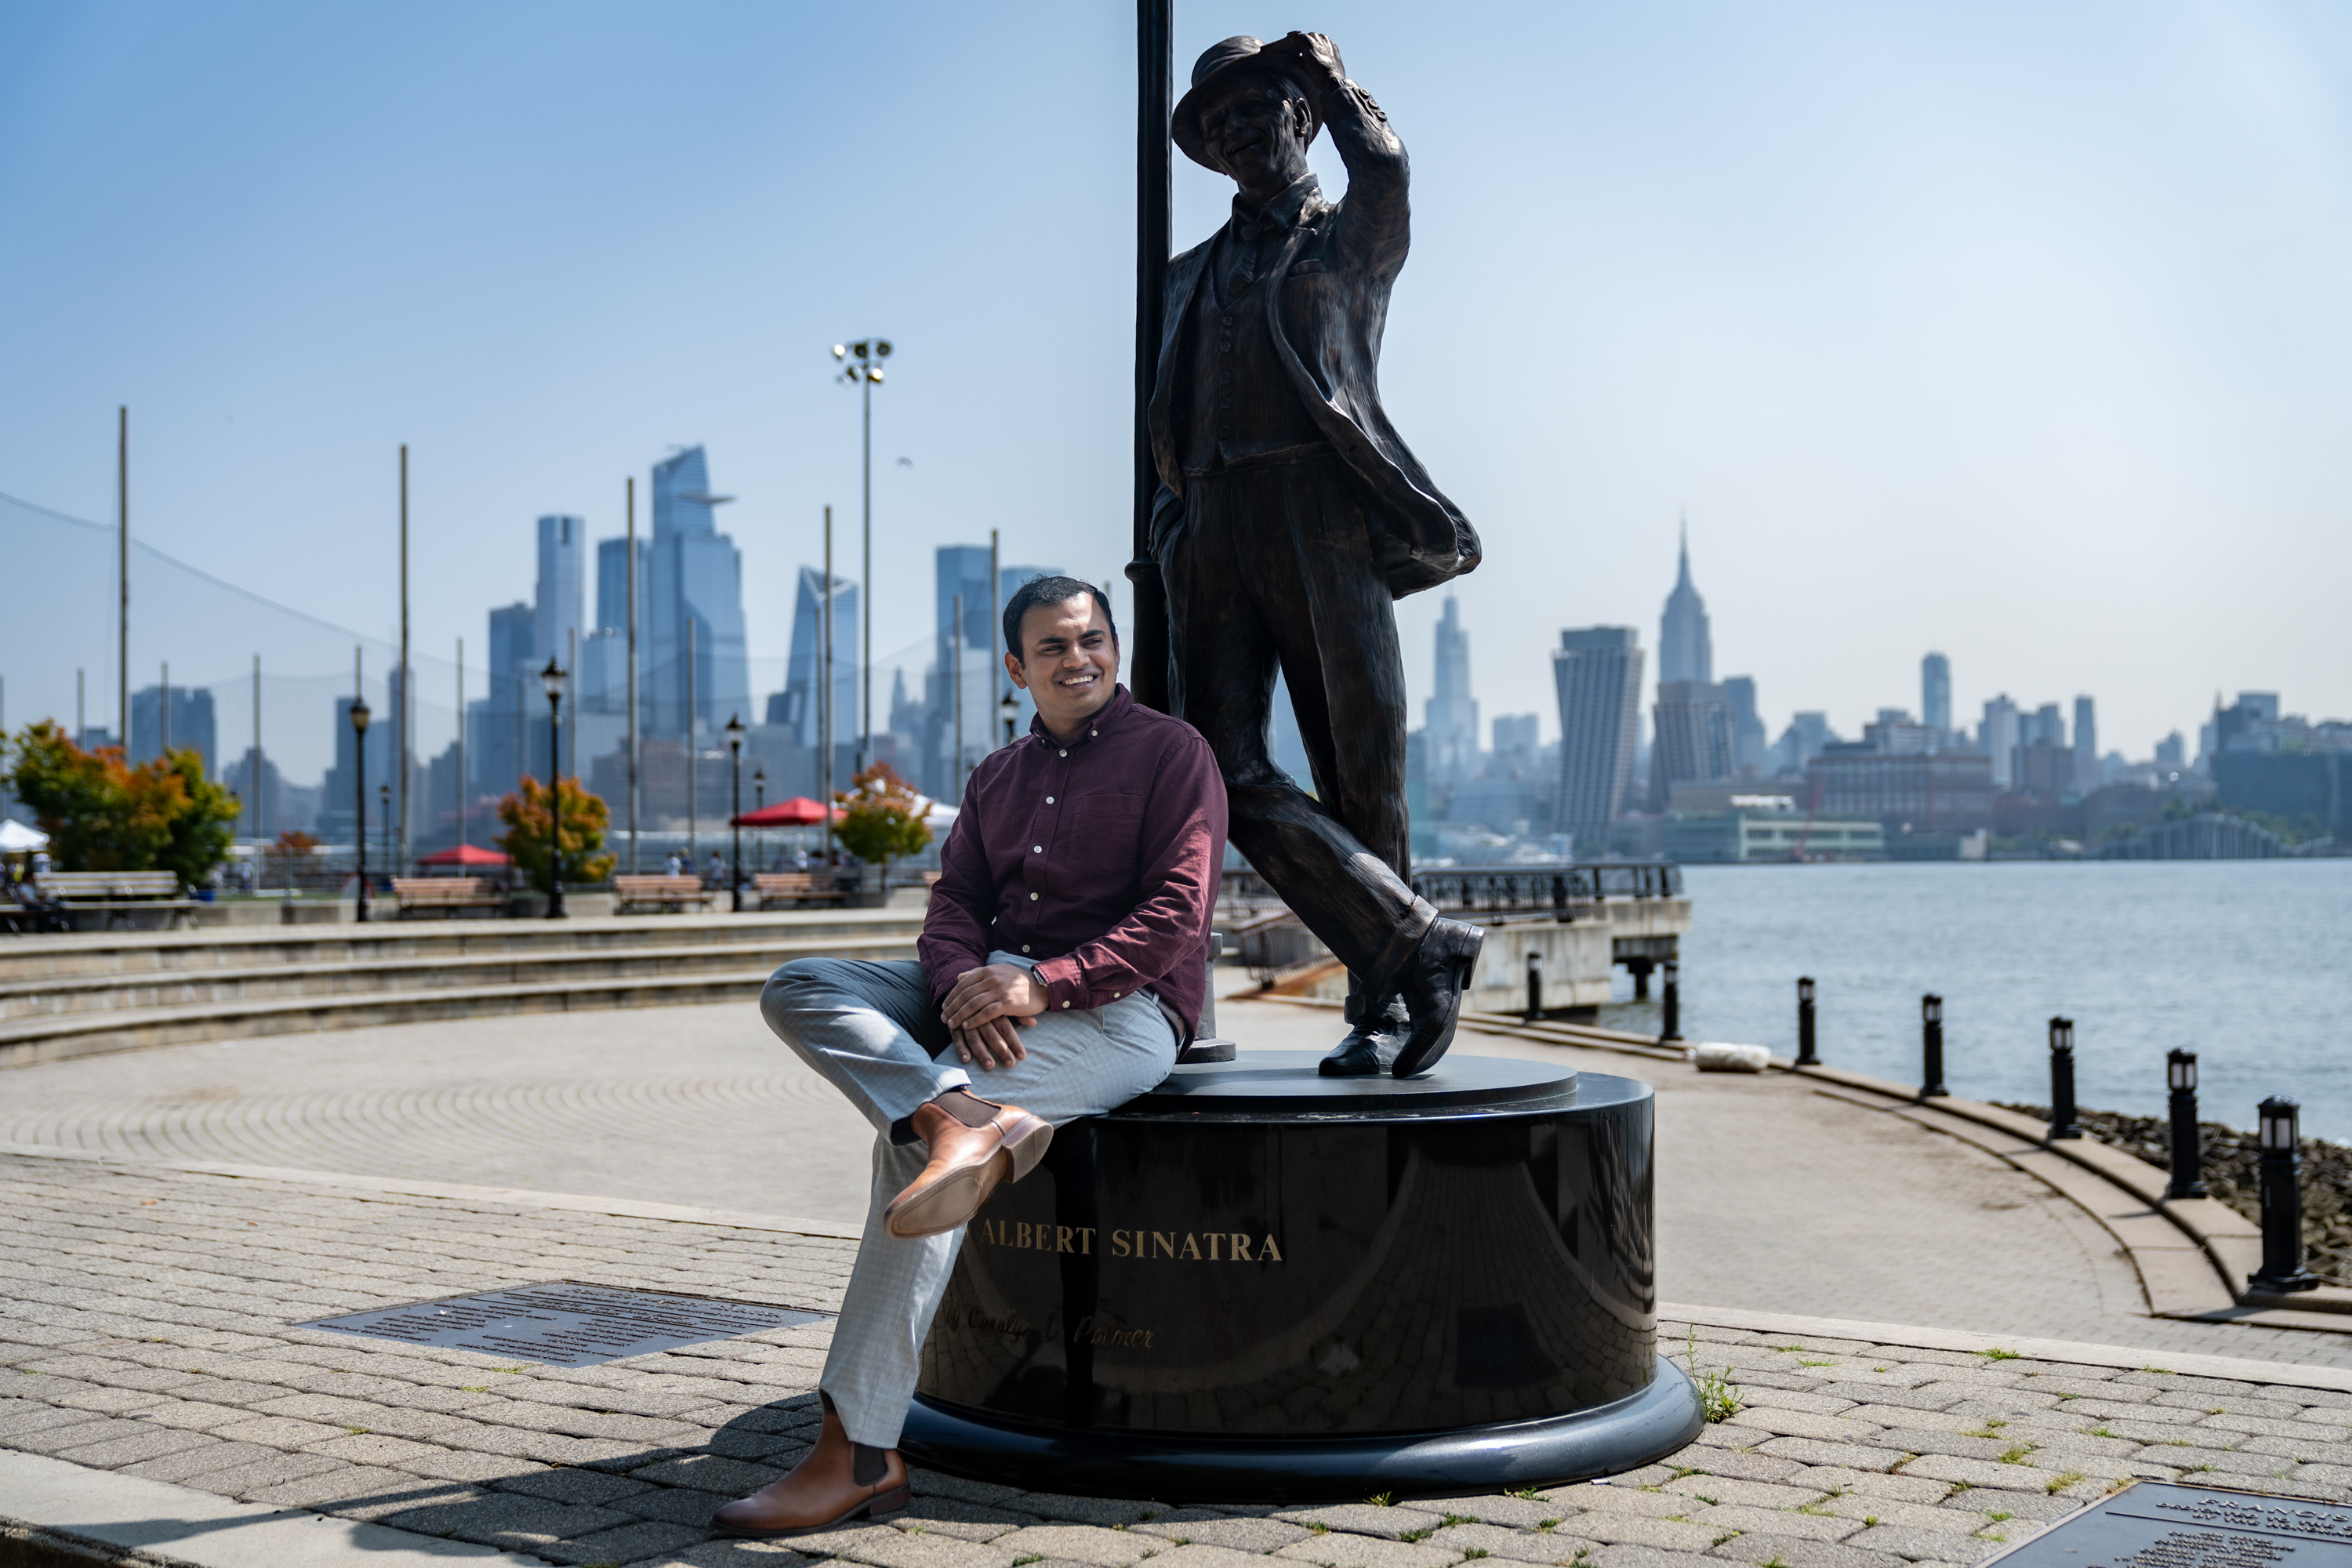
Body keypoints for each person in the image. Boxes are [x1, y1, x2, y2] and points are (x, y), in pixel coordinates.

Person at [713, 576, 1226, 1540]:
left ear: (1114, 647)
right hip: (983, 983)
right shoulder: (996, 774)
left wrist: (1047, 984)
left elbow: (1176, 912)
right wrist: (960, 984)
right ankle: (953, 1107)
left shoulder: (1173, 751)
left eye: (1093, 640)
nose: (1080, 658)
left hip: (1120, 1009)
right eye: (1055, 647)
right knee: (802, 982)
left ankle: (860, 1452)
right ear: (1017, 668)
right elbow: (953, 903)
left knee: (907, 1152)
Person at [1149, 31, 1483, 1080]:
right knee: (1217, 769)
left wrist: (1334, 79)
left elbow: (1384, 168)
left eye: (1260, 108)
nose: (1241, 130)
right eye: (1220, 121)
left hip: (1318, 512)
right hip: (1209, 525)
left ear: (1298, 119)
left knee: (1359, 770)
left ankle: (1382, 1000)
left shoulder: (1347, 242)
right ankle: (1417, 940)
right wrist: (1170, 526)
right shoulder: (1182, 277)